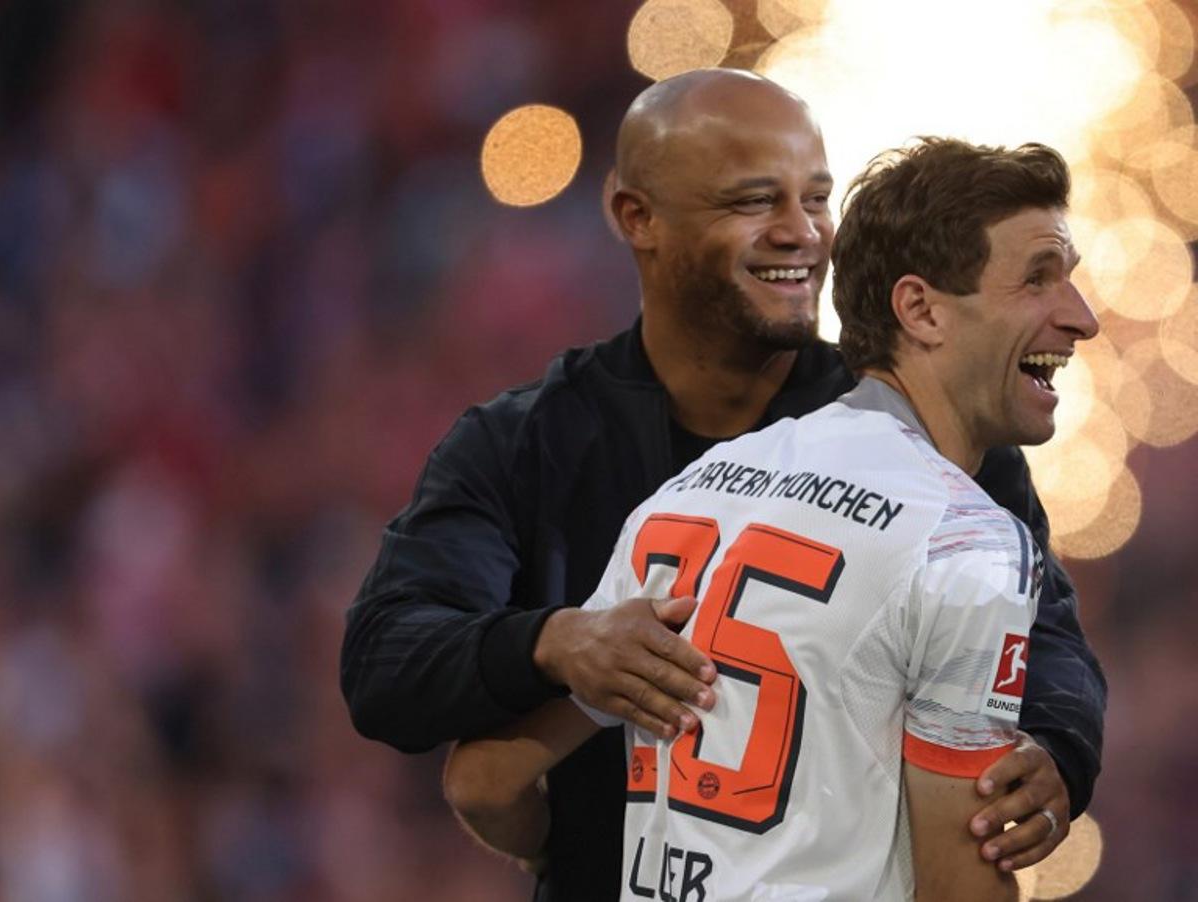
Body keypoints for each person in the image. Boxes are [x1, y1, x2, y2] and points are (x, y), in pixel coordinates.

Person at [340, 69, 1105, 901]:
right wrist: (555, 643)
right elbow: (385, 659)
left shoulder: (681, 499)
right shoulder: (525, 443)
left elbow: (1052, 648)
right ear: (638, 217)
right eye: (754, 201)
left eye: (817, 199)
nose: (801, 232)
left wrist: (1056, 750)